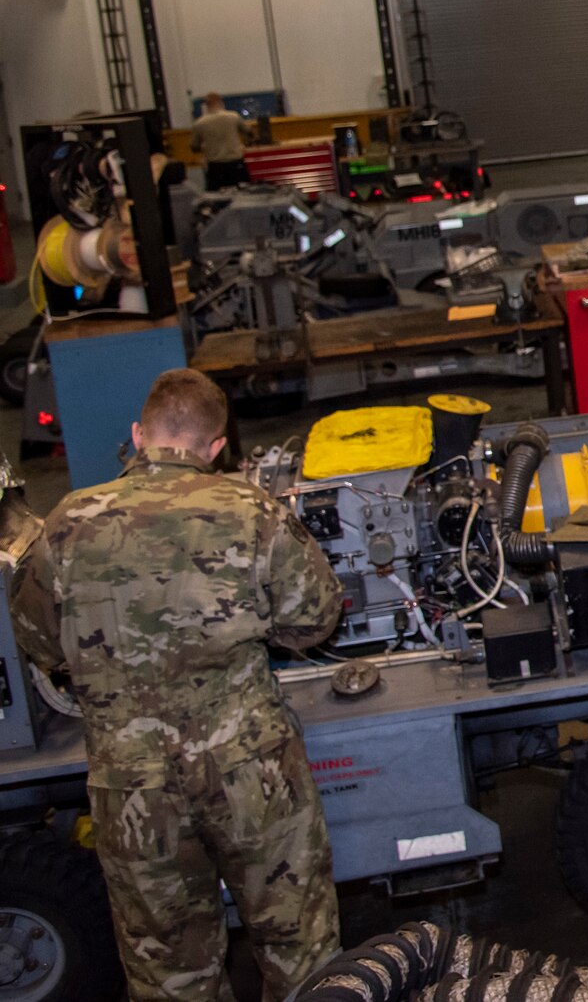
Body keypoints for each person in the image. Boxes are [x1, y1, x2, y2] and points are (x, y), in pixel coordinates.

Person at [9, 369, 344, 1002]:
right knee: (301, 953)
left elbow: (39, 641)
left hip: (133, 790)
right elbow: (314, 620)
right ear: (217, 448)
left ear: (138, 434)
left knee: (170, 973)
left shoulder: (68, 522)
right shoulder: (252, 510)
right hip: (251, 773)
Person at [189, 92, 252, 191]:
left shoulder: (200, 123)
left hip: (215, 168)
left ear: (206, 105)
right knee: (246, 192)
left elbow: (194, 146)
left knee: (215, 197)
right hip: (236, 164)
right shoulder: (233, 116)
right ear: (221, 102)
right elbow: (248, 132)